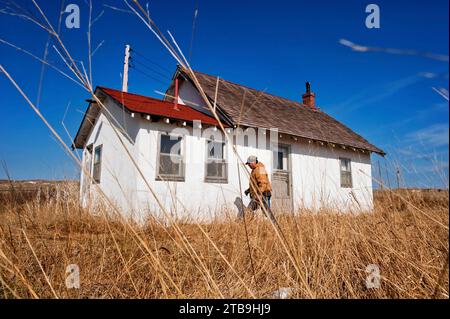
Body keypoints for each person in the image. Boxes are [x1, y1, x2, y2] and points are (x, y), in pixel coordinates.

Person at [244, 155, 275, 221]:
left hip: (263, 195)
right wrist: (248, 190)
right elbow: (255, 184)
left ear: (253, 162)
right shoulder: (254, 170)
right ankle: (250, 225)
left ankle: (273, 225)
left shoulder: (260, 169)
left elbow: (263, 184)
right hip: (258, 195)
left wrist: (259, 194)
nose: (248, 166)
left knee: (267, 213)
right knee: (249, 211)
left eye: (249, 164)